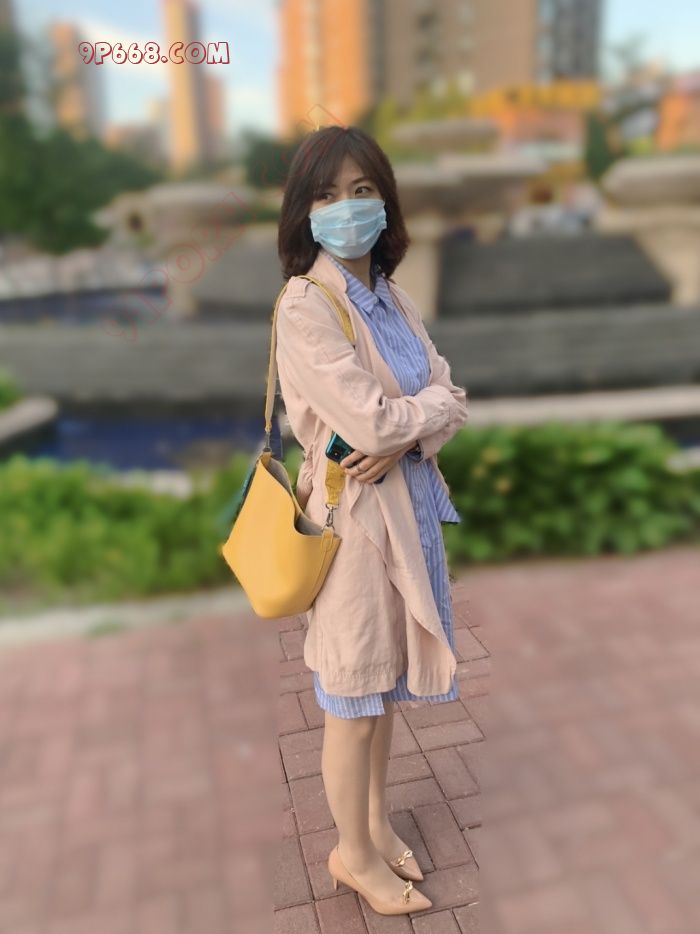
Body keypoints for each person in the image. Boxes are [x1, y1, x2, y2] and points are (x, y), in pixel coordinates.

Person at [275, 125, 468, 916]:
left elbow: (449, 394)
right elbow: (369, 420)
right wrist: (420, 417)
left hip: (409, 514)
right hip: (353, 523)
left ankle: (377, 825)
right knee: (353, 699)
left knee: (383, 690)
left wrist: (413, 423)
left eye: (362, 190)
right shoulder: (305, 305)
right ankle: (351, 854)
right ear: (304, 211)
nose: (347, 207)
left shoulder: (391, 296)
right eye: (328, 194)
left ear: (385, 201)